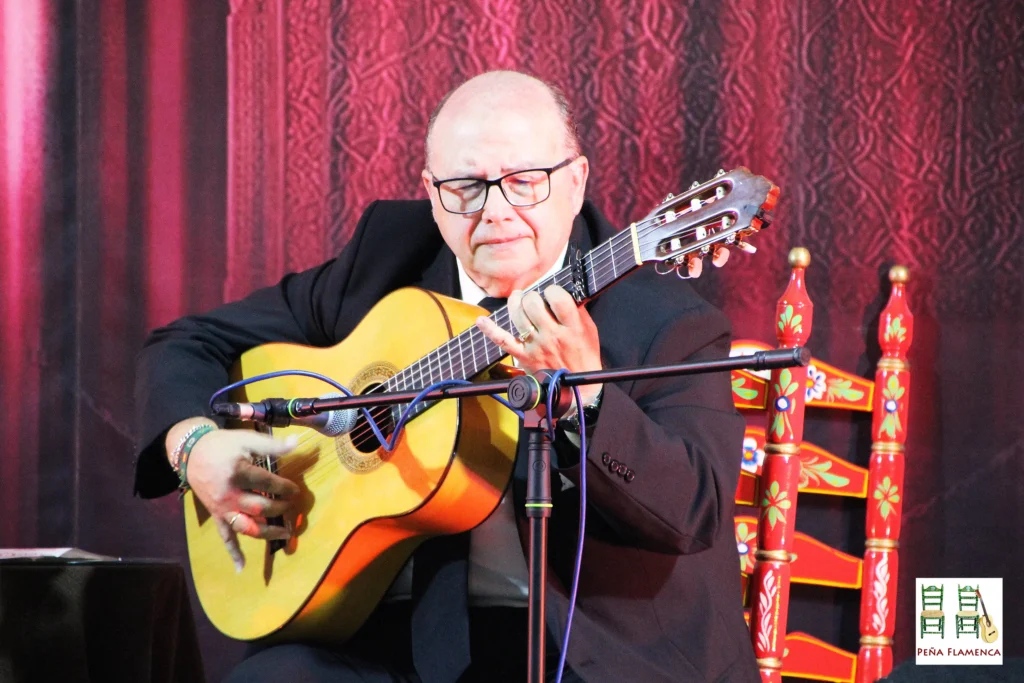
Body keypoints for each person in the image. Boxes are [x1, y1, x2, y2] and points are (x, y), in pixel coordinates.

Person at [134, 70, 759, 683]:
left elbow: (693, 511)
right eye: (466, 187)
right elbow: (187, 343)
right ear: (432, 194)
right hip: (403, 638)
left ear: (575, 182)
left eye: (525, 182)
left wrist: (588, 398)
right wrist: (194, 447)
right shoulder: (386, 259)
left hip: (589, 651)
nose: (496, 212)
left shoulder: (666, 321)